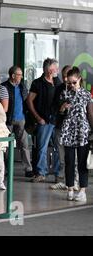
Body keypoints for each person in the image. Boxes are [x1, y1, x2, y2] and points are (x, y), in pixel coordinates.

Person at [59, 67, 92, 202]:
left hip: (82, 131)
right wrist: (62, 108)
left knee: (82, 162)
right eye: (69, 83)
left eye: (74, 82)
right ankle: (70, 188)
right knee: (69, 161)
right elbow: (59, 112)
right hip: (68, 131)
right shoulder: (65, 93)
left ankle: (82, 190)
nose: (71, 85)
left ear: (79, 79)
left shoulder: (86, 94)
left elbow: (90, 113)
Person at [26, 58, 62, 183]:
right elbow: (29, 101)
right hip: (44, 120)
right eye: (56, 68)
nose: (57, 70)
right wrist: (38, 117)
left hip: (56, 120)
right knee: (42, 148)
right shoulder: (38, 83)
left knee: (58, 148)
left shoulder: (58, 82)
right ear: (50, 69)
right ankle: (41, 172)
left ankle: (58, 174)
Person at [51, 65, 79, 191]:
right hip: (60, 126)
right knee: (61, 156)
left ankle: (75, 182)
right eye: (64, 76)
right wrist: (61, 108)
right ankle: (64, 181)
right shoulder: (59, 89)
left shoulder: (79, 91)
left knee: (75, 157)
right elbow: (54, 107)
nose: (66, 79)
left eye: (68, 76)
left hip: (74, 129)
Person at [1, 66, 33, 178]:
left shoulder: (22, 86)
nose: (21, 77)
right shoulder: (4, 87)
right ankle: (7, 169)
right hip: (7, 120)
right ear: (13, 75)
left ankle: (28, 169)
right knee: (6, 146)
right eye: (19, 74)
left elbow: (26, 101)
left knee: (24, 144)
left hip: (21, 120)